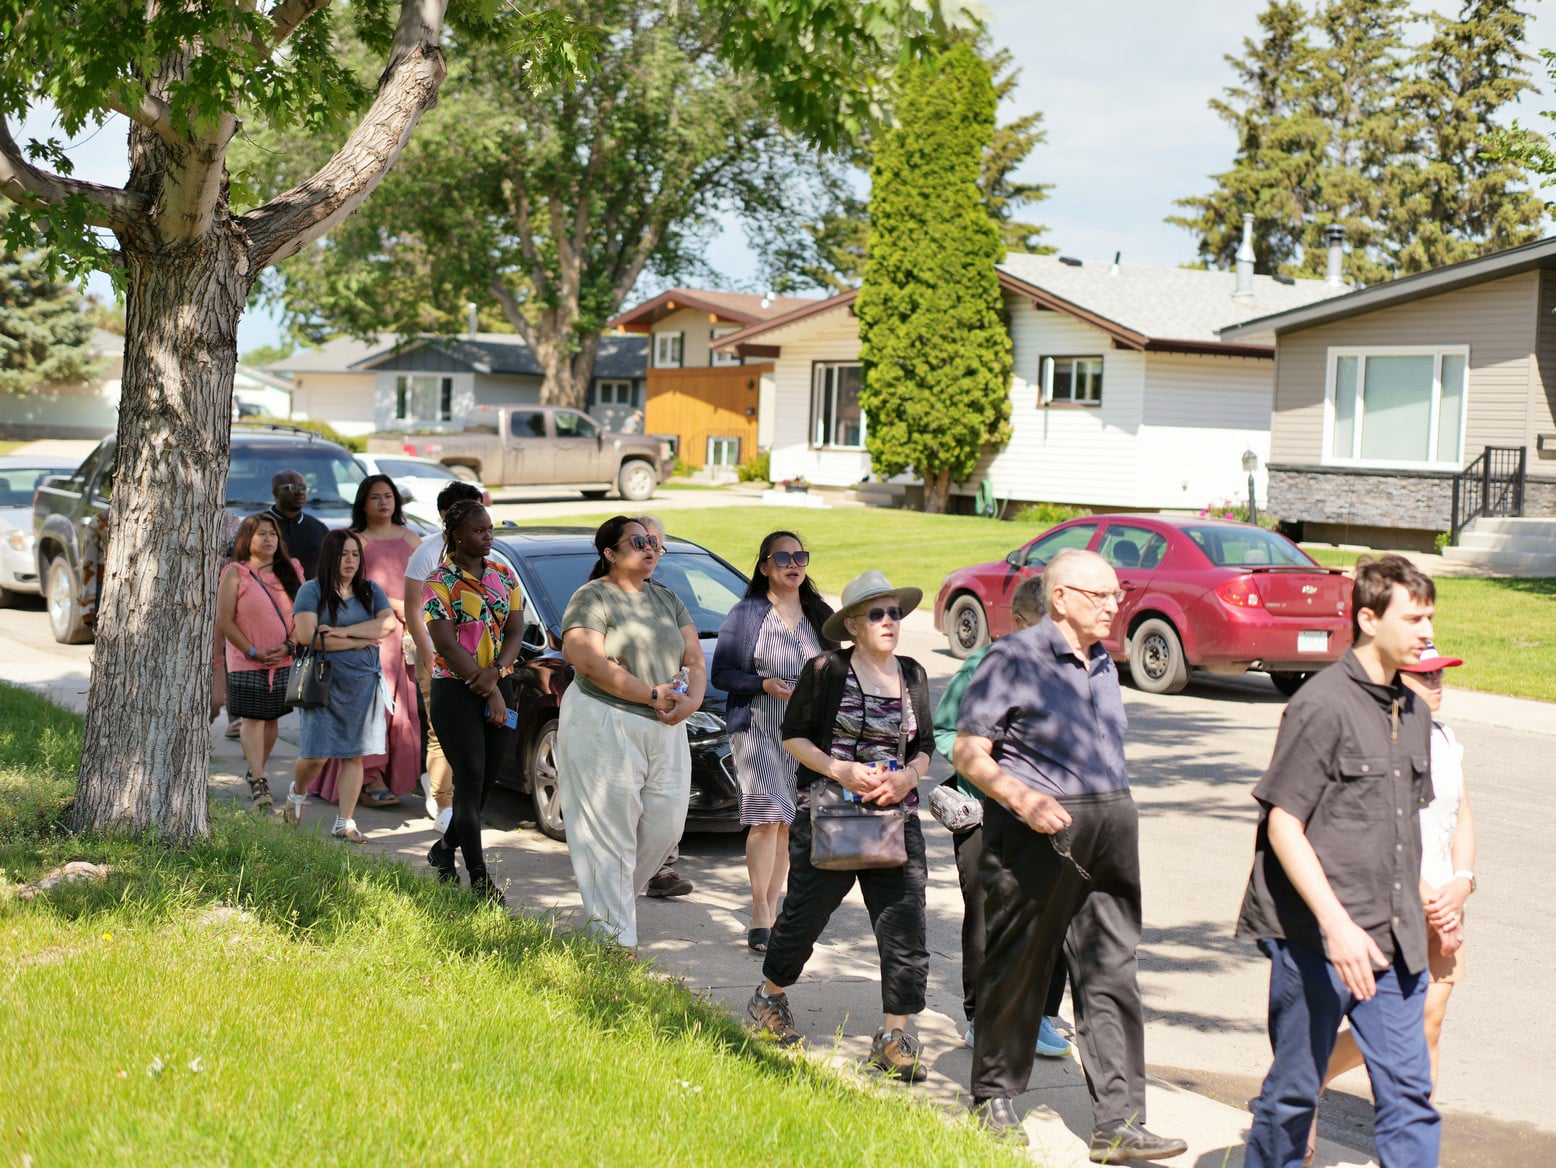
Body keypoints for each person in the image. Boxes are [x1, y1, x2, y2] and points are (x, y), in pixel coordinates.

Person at [953, 548, 1186, 1161]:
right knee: (1020, 964)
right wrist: (1020, 799)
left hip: (1112, 828)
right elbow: (968, 752)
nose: (1116, 605)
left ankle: (1120, 1123)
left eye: (1118, 593)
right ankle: (994, 1099)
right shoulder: (1014, 656)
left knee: (1113, 972)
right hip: (1040, 831)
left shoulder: (1105, 661)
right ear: (1061, 598)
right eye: (1101, 595)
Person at [1238, 554, 1441, 1168]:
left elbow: (1399, 828)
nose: (1428, 630)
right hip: (1313, 937)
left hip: (1392, 937)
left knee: (1410, 1096)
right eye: (1415, 618)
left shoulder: (1416, 710)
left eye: (1431, 616)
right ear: (1369, 619)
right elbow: (1284, 823)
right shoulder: (1321, 704)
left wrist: (1431, 893)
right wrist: (1337, 926)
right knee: (1296, 1093)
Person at [748, 570, 935, 1084]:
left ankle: (895, 1038)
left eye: (894, 611)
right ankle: (769, 997)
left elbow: (925, 747)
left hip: (895, 819)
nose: (889, 621)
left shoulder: (913, 674)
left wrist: (907, 777)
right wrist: (841, 769)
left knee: (906, 927)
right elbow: (794, 736)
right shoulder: (826, 670)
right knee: (806, 914)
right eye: (877, 613)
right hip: (828, 812)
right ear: (853, 624)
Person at [1308, 639, 1475, 1164]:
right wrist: (1433, 901)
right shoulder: (1383, 737)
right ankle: (1310, 1075)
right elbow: (1382, 834)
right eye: (1426, 675)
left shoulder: (1446, 737)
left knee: (1432, 1016)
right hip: (1394, 899)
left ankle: (1414, 1136)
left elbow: (1463, 817)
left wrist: (1464, 881)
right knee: (1393, 1018)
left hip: (1443, 897)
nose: (1438, 683)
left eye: (1441, 673)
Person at [931, 574, 1071, 1059]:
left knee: (1054, 912)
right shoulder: (983, 667)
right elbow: (945, 733)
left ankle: (1040, 1015)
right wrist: (994, 772)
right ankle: (981, 1016)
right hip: (984, 810)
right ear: (1016, 623)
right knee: (987, 914)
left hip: (1047, 813)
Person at [557, 516, 705, 949]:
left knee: (665, 828)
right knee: (608, 833)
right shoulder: (592, 596)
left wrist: (691, 701)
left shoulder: (666, 598)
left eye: (656, 542)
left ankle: (611, 909)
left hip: (665, 724)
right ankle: (613, 945)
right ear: (609, 553)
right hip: (604, 722)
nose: (651, 549)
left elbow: (694, 658)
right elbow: (586, 660)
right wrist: (651, 693)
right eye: (639, 541)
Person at [712, 530, 834, 952]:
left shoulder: (818, 612)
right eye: (782, 557)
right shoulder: (746, 613)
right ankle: (760, 912)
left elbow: (838, 667)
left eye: (800, 555)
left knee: (786, 822)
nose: (793, 564)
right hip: (757, 725)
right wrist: (762, 683)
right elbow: (722, 675)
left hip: (803, 733)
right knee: (766, 816)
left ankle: (773, 905)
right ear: (764, 566)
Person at [423, 499, 524, 902]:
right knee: (469, 776)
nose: (488, 537)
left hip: (500, 681)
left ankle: (445, 849)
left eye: (490, 530)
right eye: (480, 530)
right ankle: (479, 879)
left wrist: (497, 674)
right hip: (454, 688)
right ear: (456, 534)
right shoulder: (439, 581)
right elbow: (446, 644)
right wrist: (488, 685)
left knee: (484, 783)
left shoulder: (504, 574)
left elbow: (515, 631)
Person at [307, 475, 422, 809]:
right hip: (363, 633)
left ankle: (385, 776)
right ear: (362, 502)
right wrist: (396, 609)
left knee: (399, 709)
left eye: (389, 496)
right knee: (368, 708)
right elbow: (337, 588)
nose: (384, 502)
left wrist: (409, 616)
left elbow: (427, 588)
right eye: (376, 497)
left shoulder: (411, 538)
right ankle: (369, 779)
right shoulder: (351, 541)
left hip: (404, 636)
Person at [281, 529, 398, 843]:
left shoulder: (371, 590)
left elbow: (388, 625)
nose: (350, 561)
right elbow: (309, 638)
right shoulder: (311, 591)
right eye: (344, 554)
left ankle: (344, 822)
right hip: (323, 682)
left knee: (354, 755)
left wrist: (344, 634)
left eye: (355, 554)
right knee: (316, 756)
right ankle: (298, 791)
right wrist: (364, 638)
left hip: (362, 683)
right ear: (330, 557)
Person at [405, 480, 489, 829]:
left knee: (475, 731)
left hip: (481, 661)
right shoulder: (427, 554)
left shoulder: (489, 558)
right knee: (441, 730)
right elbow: (413, 610)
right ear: (447, 518)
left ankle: (465, 802)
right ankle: (442, 804)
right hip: (438, 657)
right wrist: (428, 654)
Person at [215, 513, 303, 809]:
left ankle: (256, 773)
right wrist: (252, 650)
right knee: (252, 719)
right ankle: (260, 781)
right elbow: (226, 621)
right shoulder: (235, 572)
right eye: (261, 534)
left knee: (271, 720)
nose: (268, 539)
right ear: (247, 539)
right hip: (245, 659)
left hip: (283, 658)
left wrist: (289, 645)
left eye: (273, 534)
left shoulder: (291, 570)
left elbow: (302, 614)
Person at [264, 468, 328, 579]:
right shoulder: (258, 525)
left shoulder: (318, 528)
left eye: (303, 488)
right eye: (292, 487)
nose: (300, 492)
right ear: (276, 492)